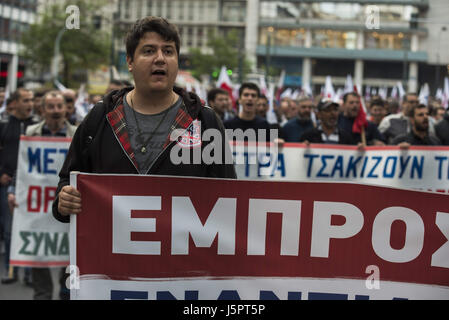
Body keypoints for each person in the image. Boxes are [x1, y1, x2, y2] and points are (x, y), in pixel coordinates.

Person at [52, 16, 236, 223]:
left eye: (168, 51)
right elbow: (68, 180)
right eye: (149, 51)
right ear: (130, 61)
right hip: (112, 255)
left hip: (180, 254)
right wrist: (64, 201)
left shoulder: (205, 121)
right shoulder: (100, 117)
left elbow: (228, 198)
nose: (160, 59)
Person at [8, 90, 77, 299]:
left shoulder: (77, 134)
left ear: (66, 108)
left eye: (59, 106)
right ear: (42, 109)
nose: (56, 111)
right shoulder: (31, 132)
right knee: (39, 262)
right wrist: (13, 191)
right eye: (51, 107)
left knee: (69, 264)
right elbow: (22, 167)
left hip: (66, 211)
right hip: (37, 209)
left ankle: (66, 294)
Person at [0, 88, 36, 284]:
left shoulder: (37, 126)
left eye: (31, 100)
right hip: (8, 185)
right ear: (14, 103)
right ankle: (10, 270)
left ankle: (30, 272)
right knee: (9, 230)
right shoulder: (4, 125)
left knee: (31, 228)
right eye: (25, 100)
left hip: (31, 185)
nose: (30, 104)